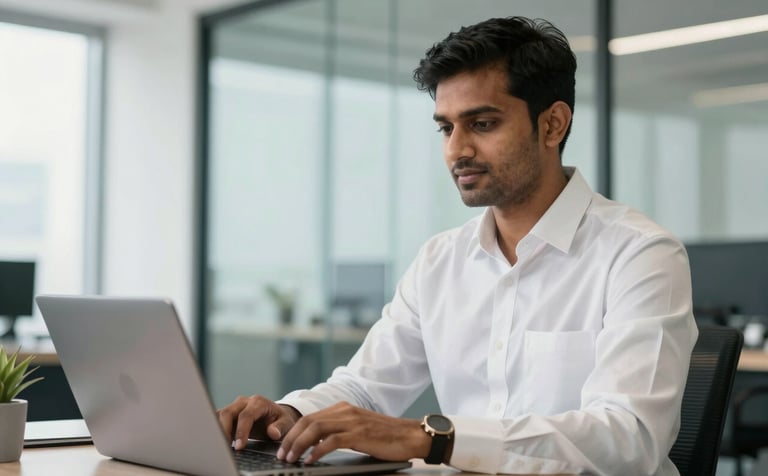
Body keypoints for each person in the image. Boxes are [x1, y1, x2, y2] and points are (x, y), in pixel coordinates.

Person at [218, 16, 697, 475]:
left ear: (552, 125)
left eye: (482, 124)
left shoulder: (639, 253)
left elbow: (628, 438)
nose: (456, 150)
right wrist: (289, 412)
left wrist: (435, 439)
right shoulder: (440, 260)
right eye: (446, 127)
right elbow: (365, 387)